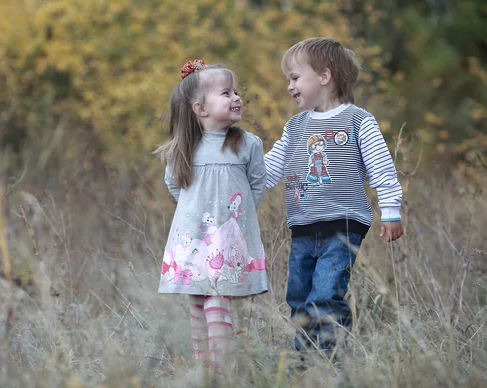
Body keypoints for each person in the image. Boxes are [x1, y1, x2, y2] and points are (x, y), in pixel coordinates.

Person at [264, 38, 404, 356]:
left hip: (344, 226)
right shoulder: (296, 126)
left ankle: (326, 358)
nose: (289, 86)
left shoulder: (358, 121)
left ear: (324, 76)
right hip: (302, 228)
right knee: (298, 297)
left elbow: (382, 168)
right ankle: (305, 359)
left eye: (295, 77)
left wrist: (391, 209)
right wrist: (237, 182)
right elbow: (270, 169)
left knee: (326, 294)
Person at [156, 60, 268, 373]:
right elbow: (174, 185)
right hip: (192, 237)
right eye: (225, 93)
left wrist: (239, 216)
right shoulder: (185, 148)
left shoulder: (247, 144)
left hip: (227, 240)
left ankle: (222, 371)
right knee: (196, 301)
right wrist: (195, 211)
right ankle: (202, 369)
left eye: (235, 91)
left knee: (218, 299)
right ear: (200, 109)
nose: (236, 98)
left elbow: (256, 183)